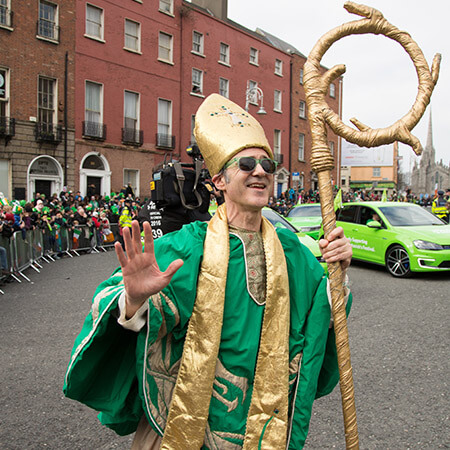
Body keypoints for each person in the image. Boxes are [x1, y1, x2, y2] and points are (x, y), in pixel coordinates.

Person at [64, 94, 353, 449]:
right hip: (183, 424)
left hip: (260, 427)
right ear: (219, 181)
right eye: (246, 164)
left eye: (268, 164)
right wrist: (135, 298)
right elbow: (114, 303)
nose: (260, 171)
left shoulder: (294, 254)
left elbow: (319, 318)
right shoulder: (183, 247)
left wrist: (339, 275)